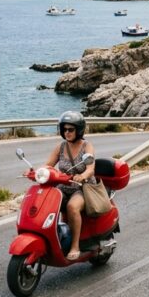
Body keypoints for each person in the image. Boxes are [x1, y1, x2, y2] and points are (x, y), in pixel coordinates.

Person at [43, 111, 97, 261]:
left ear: (79, 130)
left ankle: (75, 246)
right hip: (64, 185)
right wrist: (36, 172)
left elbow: (90, 169)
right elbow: (48, 165)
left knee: (72, 207)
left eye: (71, 129)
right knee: (46, 202)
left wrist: (83, 176)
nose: (67, 132)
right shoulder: (61, 147)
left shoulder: (87, 146)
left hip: (82, 187)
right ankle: (52, 238)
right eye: (64, 129)